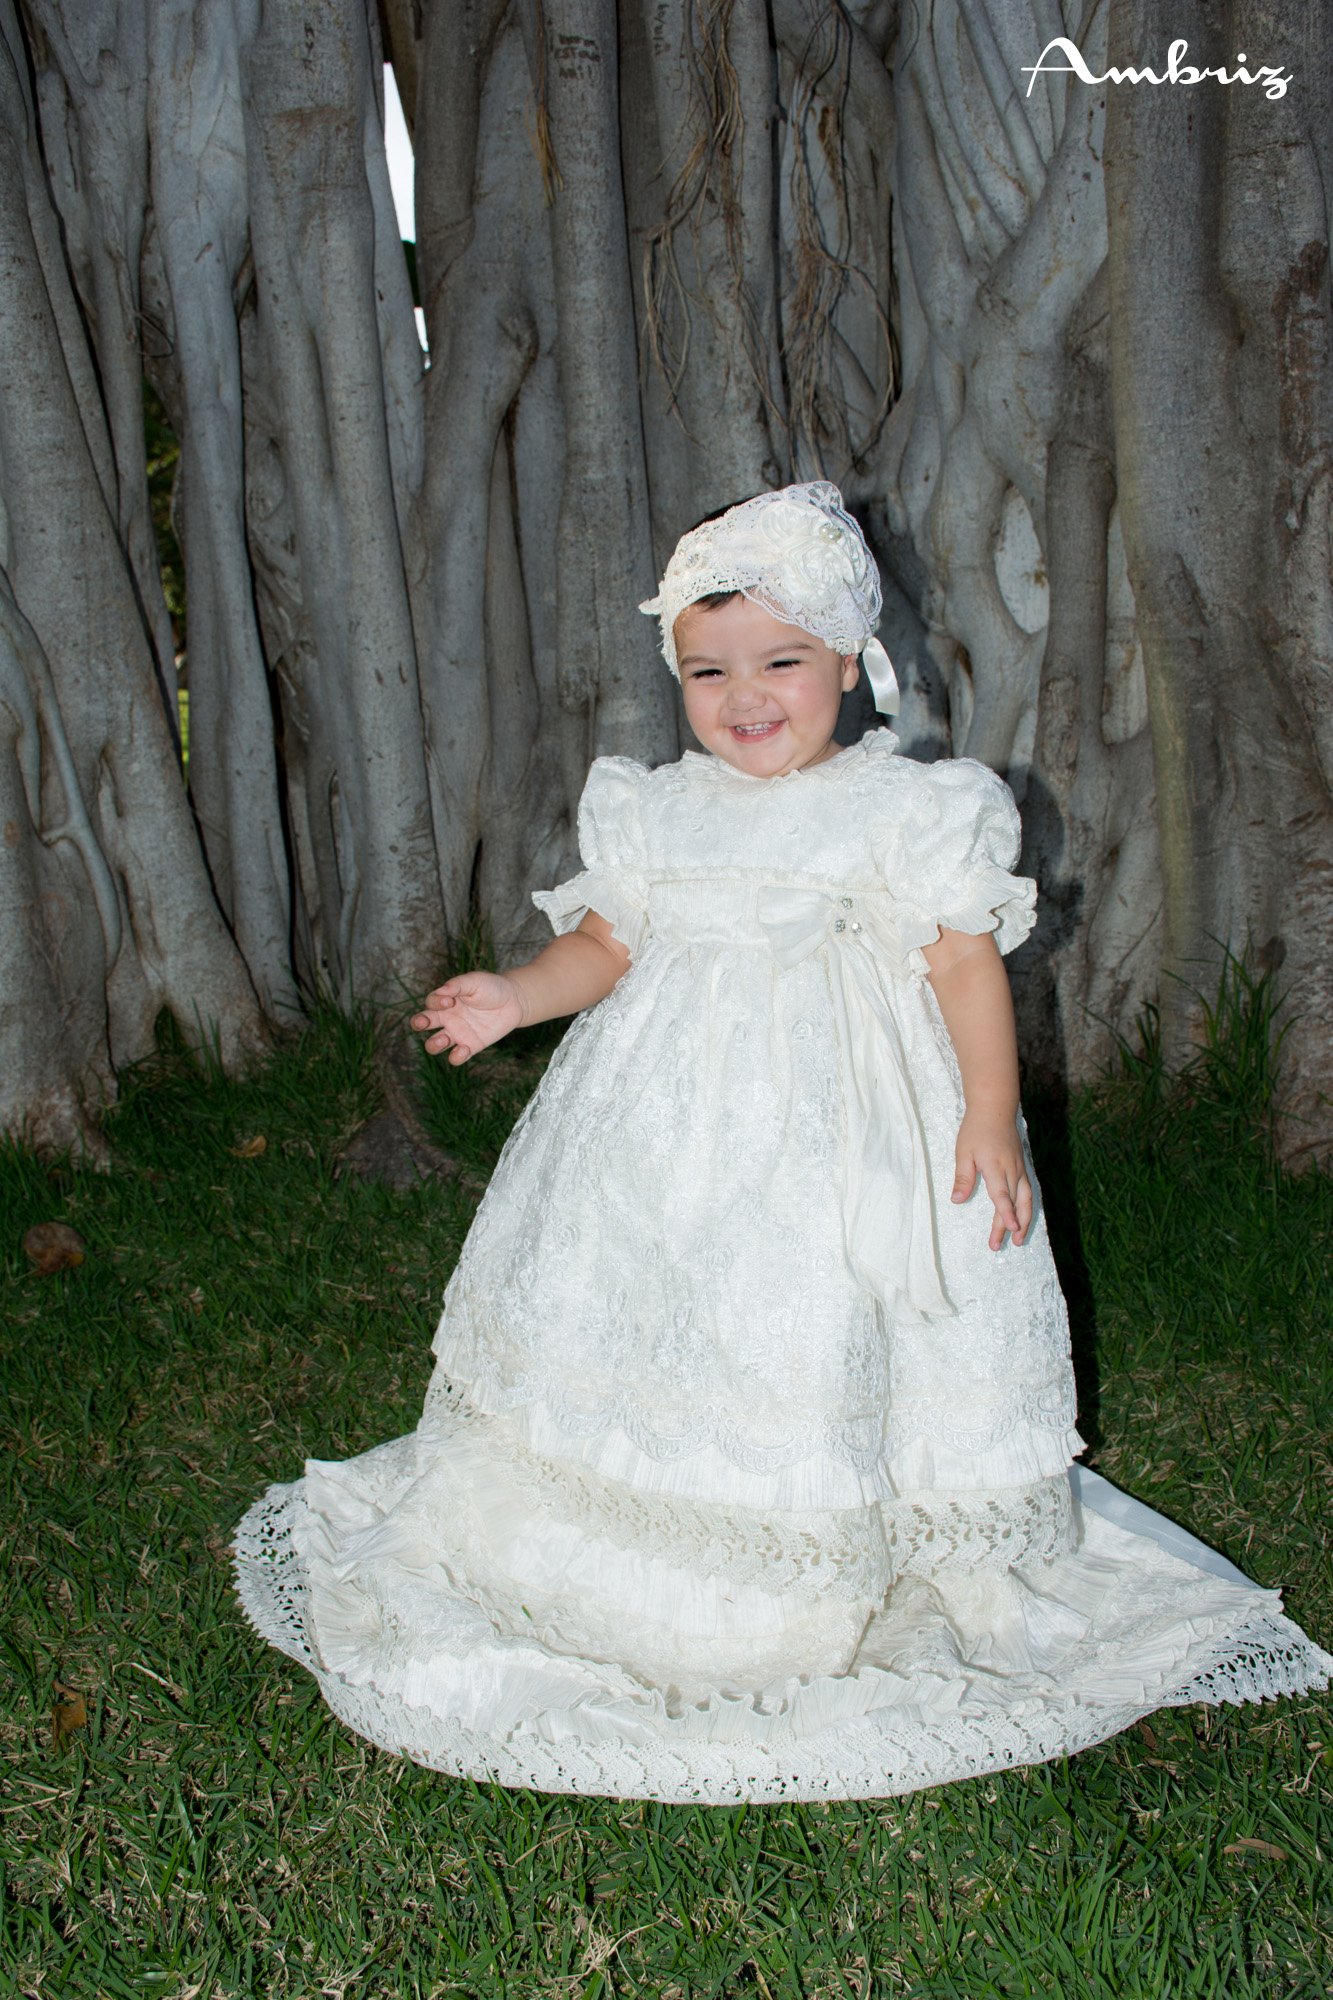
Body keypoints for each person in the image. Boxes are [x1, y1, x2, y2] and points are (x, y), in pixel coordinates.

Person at [233, 482, 1330, 1802]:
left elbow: (962, 963)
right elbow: (608, 942)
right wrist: (515, 996)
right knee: (651, 1308)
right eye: (709, 671)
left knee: (809, 1323)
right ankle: (618, 1523)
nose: (744, 696)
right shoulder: (660, 810)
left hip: (842, 1141)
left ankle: (812, 1549)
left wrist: (989, 1109)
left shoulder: (905, 813)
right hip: (658, 1135)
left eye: (781, 663)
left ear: (851, 663)